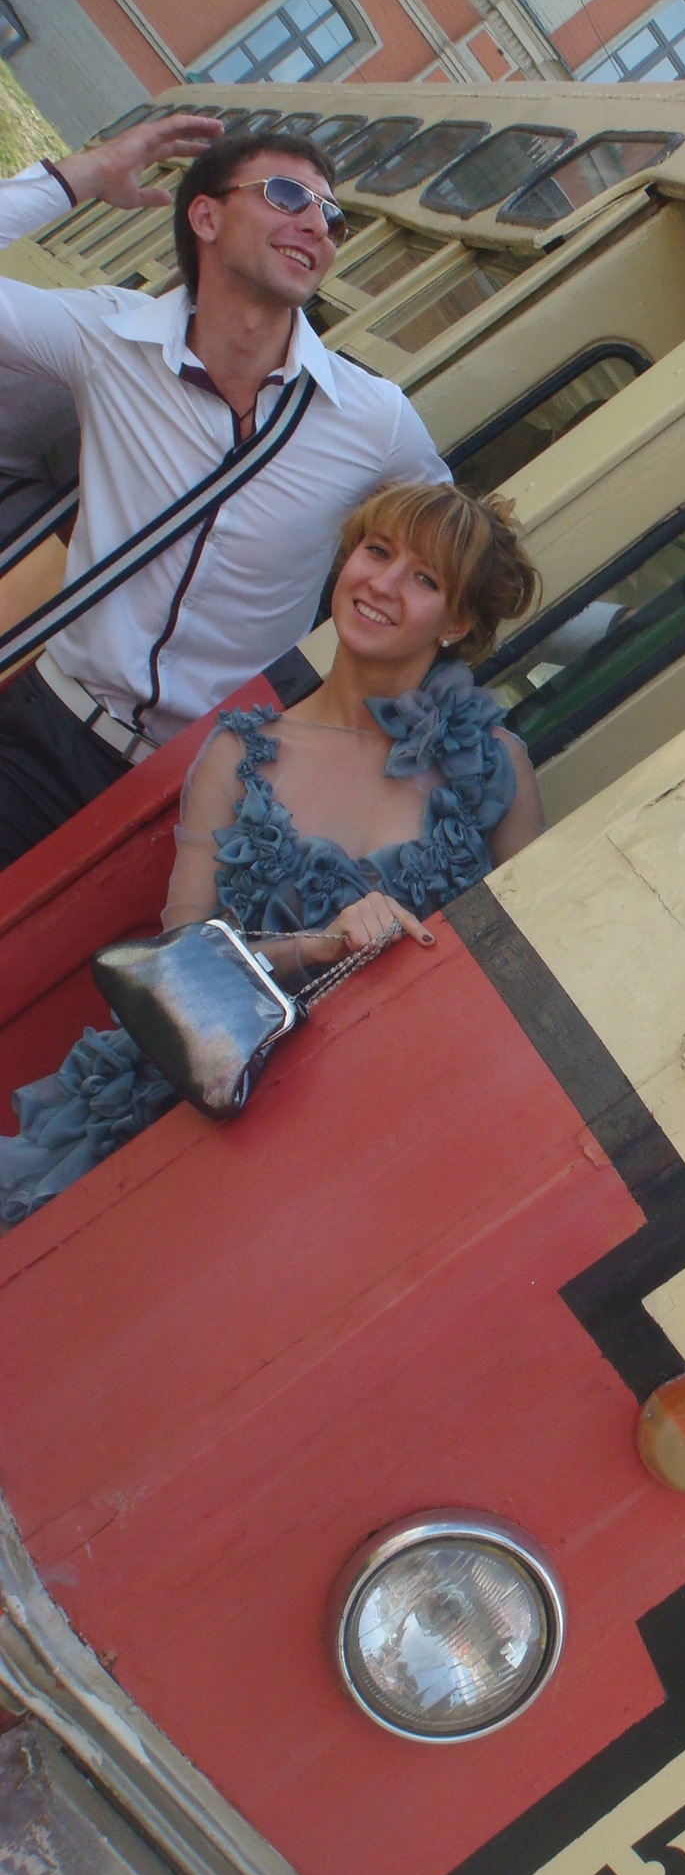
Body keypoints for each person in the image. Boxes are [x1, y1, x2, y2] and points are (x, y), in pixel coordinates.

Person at [0, 480, 543, 1226]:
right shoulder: (239, 753)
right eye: (376, 552)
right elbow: (174, 973)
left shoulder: (495, 769)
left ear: (458, 622)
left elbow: (528, 973)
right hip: (198, 1119)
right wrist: (317, 947)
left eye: (424, 578)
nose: (383, 584)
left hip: (380, 1133)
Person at [0, 113, 450, 867]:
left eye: (332, 217)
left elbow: (457, 558)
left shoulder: (374, 420)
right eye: (287, 196)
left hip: (187, 801)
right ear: (205, 217)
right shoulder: (110, 339)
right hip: (45, 732)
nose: (318, 225)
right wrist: (81, 174)